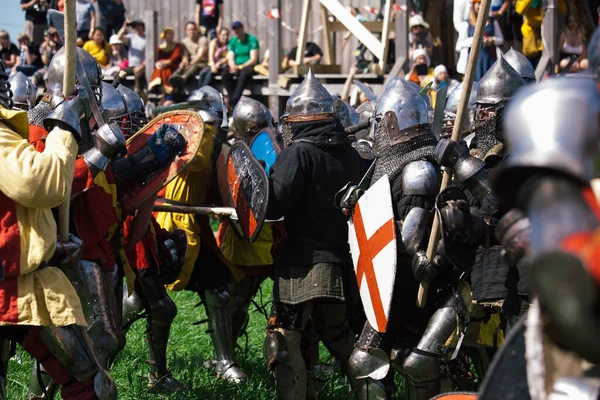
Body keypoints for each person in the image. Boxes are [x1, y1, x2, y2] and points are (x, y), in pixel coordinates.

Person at [0, 58, 118, 400]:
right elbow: (43, 183)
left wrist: (51, 241)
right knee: (89, 384)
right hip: (15, 283)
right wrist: (65, 125)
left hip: (21, 273)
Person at [264, 70, 363, 400]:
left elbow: (274, 203)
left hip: (302, 264)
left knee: (284, 338)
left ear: (296, 121)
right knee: (338, 335)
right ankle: (374, 391)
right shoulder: (353, 155)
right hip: (341, 261)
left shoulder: (300, 152)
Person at [155, 86, 249, 384]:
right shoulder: (198, 135)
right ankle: (104, 350)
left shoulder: (207, 140)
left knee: (219, 289)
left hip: (192, 226)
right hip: (171, 227)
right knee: (143, 299)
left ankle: (224, 362)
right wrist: (200, 134)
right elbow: (193, 160)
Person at [457, 0, 504, 81]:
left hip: (490, 58)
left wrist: (492, 40)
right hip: (474, 60)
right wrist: (475, 40)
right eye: (477, 4)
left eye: (481, 4)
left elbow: (501, 39)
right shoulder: (467, 24)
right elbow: (460, 44)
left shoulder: (492, 21)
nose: (479, 6)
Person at [515, 0, 566, 66]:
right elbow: (519, 10)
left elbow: (563, 9)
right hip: (531, 34)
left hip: (547, 32)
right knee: (530, 62)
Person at [221, 21, 259, 110]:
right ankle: (233, 98)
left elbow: (253, 59)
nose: (236, 31)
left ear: (242, 29)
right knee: (225, 73)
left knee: (245, 73)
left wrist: (241, 66)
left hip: (248, 66)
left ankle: (234, 99)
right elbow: (230, 56)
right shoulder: (233, 41)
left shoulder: (252, 40)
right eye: (234, 29)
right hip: (236, 66)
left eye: (238, 28)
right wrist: (232, 66)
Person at [169, 22, 209, 91]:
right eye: (190, 30)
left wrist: (191, 64)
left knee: (194, 66)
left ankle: (184, 78)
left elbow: (200, 55)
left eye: (194, 29)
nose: (192, 31)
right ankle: (174, 77)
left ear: (197, 30)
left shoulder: (203, 40)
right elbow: (185, 55)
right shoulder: (184, 42)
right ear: (186, 31)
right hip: (190, 62)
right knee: (181, 65)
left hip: (202, 63)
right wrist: (185, 62)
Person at [149, 27, 184, 99]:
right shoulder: (161, 47)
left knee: (166, 71)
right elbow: (160, 58)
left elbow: (176, 57)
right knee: (158, 70)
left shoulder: (177, 45)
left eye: (172, 34)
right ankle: (155, 89)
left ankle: (168, 91)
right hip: (163, 65)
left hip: (173, 64)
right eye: (169, 34)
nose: (171, 36)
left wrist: (167, 62)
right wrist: (159, 63)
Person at [118, 20, 147, 97]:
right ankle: (120, 92)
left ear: (142, 27)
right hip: (131, 66)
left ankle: (139, 95)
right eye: (135, 26)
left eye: (139, 26)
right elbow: (119, 37)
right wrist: (124, 27)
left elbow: (149, 55)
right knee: (120, 74)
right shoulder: (132, 37)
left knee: (138, 75)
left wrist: (141, 66)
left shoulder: (146, 39)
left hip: (142, 66)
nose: (137, 28)